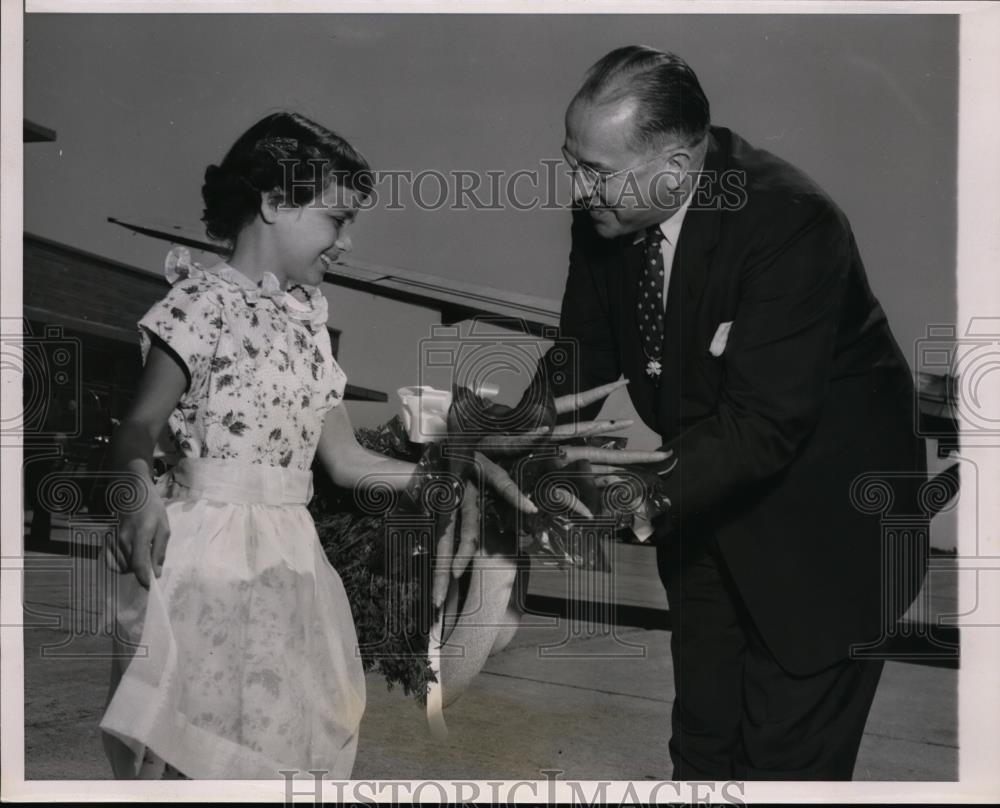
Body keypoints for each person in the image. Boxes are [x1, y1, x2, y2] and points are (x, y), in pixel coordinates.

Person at [539, 47, 929, 780]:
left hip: (830, 529)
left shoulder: (790, 221)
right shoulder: (606, 214)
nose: (579, 188)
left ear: (677, 167)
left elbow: (764, 426)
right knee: (703, 749)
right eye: (571, 162)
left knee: (784, 767)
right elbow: (578, 361)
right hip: (706, 502)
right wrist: (508, 444)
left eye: (596, 171)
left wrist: (627, 496)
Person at [99, 112, 431, 780]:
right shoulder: (199, 304)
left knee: (275, 744)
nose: (346, 243)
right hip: (206, 558)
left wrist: (448, 479)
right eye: (338, 220)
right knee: (193, 745)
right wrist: (136, 498)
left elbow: (344, 460)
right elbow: (136, 429)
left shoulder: (309, 327)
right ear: (276, 203)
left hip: (289, 564)